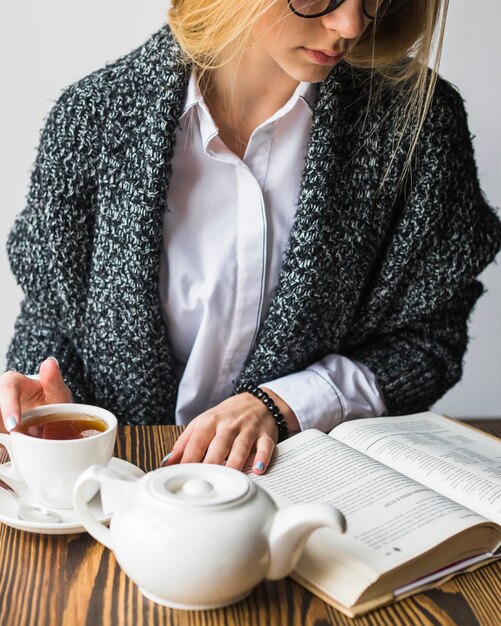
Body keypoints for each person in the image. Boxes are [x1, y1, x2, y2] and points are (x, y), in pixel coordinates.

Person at [1, 0, 500, 476]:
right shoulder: (92, 120)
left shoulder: (418, 124)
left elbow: (430, 340)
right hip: (115, 497)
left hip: (314, 505)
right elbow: (53, 317)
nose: (351, 25)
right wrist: (44, 408)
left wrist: (283, 404)